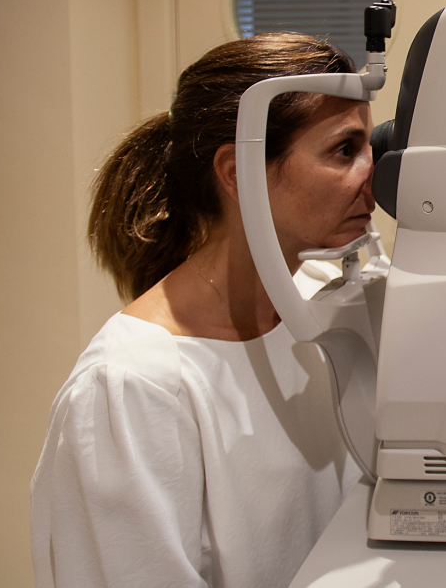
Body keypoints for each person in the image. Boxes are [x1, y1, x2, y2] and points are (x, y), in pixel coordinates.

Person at [30, 34, 374, 587]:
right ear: (237, 173)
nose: (372, 177)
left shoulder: (322, 297)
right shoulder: (131, 388)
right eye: (344, 150)